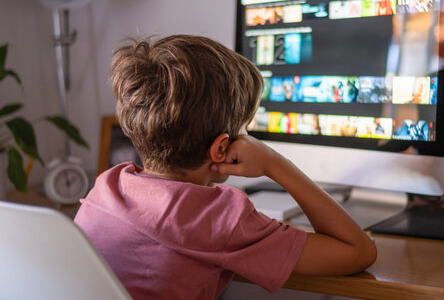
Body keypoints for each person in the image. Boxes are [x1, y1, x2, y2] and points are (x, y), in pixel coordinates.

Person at [74, 35, 376, 300]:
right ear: (221, 148)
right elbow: (358, 251)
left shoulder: (107, 185)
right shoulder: (218, 217)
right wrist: (273, 162)